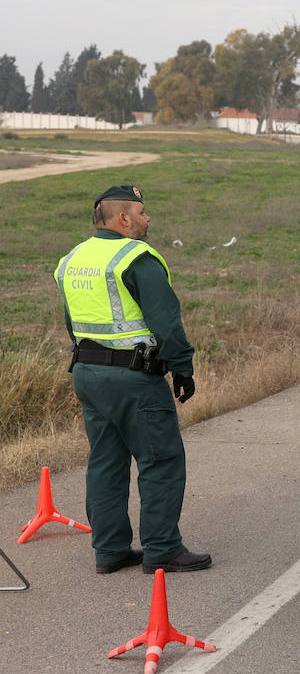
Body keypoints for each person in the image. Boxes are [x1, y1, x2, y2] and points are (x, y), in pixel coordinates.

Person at [54, 185, 211, 574]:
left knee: (105, 462)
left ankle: (109, 551)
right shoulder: (135, 257)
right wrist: (183, 367)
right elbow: (166, 321)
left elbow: (73, 321)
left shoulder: (71, 259)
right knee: (160, 459)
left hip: (87, 373)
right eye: (141, 212)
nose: (147, 218)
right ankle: (162, 549)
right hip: (134, 376)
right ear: (122, 218)